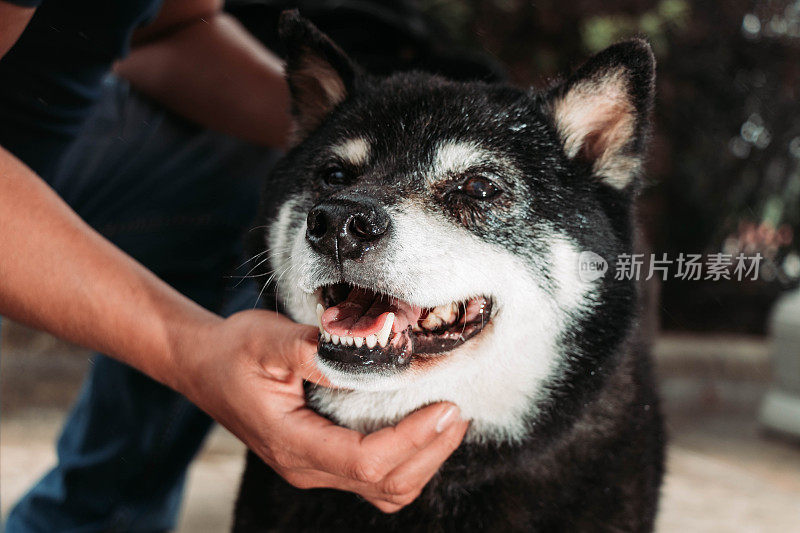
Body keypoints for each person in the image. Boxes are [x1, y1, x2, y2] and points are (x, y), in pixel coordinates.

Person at [0, 1, 470, 530]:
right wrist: (191, 350)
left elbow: (163, 34)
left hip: (52, 127)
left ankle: (92, 520)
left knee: (248, 173)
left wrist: (361, 130)